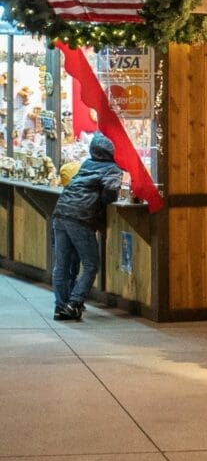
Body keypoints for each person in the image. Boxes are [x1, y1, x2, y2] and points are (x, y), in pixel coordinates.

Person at [51, 132, 123, 321]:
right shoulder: (113, 169)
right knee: (91, 264)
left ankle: (61, 307)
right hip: (81, 217)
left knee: (62, 265)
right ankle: (74, 302)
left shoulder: (87, 164)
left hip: (60, 212)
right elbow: (110, 195)